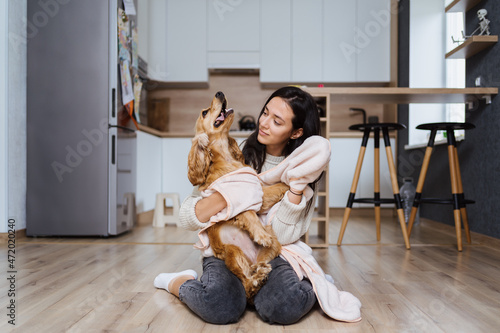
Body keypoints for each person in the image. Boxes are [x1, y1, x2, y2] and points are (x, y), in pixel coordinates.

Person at [154, 86, 324, 325]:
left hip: (273, 252)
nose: (264, 123)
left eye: (277, 121)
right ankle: (178, 282)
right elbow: (186, 216)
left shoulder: (303, 170)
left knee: (284, 307)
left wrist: (294, 190)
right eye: (265, 113)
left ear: (296, 133)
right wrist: (231, 197)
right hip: (226, 249)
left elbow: (283, 236)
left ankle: (316, 282)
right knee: (220, 306)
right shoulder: (233, 149)